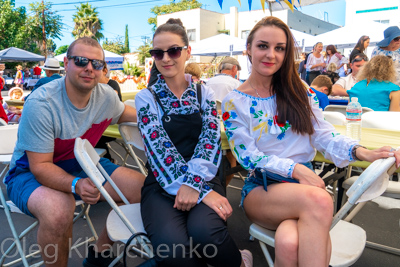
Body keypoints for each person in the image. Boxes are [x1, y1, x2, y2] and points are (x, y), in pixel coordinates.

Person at [221, 16, 400, 267]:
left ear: (286, 53)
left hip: (304, 187)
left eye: (279, 48)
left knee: (288, 241)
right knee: (319, 199)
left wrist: (362, 151)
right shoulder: (234, 101)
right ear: (248, 49)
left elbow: (322, 134)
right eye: (263, 46)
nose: (271, 54)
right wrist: (296, 170)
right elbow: (247, 155)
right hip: (264, 189)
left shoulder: (299, 90)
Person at [4, 37, 145, 267]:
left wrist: (167, 118)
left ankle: (99, 254)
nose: (89, 68)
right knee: (59, 209)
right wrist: (76, 184)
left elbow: (128, 114)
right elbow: (40, 167)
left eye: (96, 64)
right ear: (66, 64)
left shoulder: (106, 96)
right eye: (80, 61)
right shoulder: (43, 103)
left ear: (102, 69)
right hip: (27, 172)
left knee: (141, 187)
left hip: (79, 164)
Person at [135, 18, 252, 267]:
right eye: (158, 53)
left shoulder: (204, 92)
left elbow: (210, 141)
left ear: (187, 52)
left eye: (173, 50)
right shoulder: (147, 97)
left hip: (205, 177)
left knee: (206, 233)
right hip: (161, 183)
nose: (166, 58)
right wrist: (198, 192)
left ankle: (241, 262)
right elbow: (158, 149)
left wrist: (195, 185)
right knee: (172, 252)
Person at [95, 62, 123, 163]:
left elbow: (110, 100)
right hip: (100, 123)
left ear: (105, 71)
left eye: (97, 68)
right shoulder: (95, 87)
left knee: (93, 137)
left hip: (113, 125)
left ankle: (107, 161)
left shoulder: (112, 84)